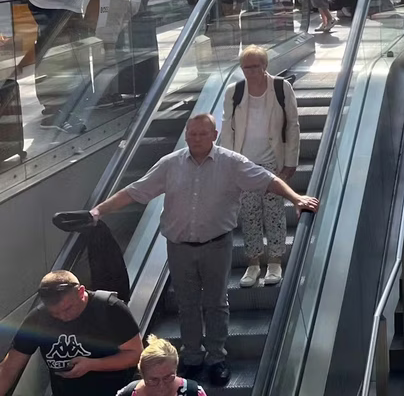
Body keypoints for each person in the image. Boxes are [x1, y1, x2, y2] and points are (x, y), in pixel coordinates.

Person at [89, 113, 318, 386]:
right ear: (186, 134)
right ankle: (192, 357)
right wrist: (99, 211)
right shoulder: (170, 164)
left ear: (214, 135)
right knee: (187, 304)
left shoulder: (231, 163)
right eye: (192, 133)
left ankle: (216, 359)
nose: (196, 138)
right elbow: (134, 191)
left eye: (202, 133)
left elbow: (267, 180)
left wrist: (296, 198)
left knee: (216, 303)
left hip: (216, 246)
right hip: (179, 247)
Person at [221, 47, 300, 287]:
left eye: (255, 66)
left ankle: (275, 261)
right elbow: (227, 129)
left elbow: (292, 125)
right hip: (244, 162)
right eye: (246, 67)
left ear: (265, 65)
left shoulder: (281, 88)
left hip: (272, 160)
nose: (250, 71)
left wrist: (290, 162)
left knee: (274, 211)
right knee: (249, 213)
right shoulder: (234, 91)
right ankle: (253, 263)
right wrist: (228, 163)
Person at [0, 270, 142, 396]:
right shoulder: (38, 318)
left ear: (81, 291)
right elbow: (10, 367)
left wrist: (92, 365)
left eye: (68, 308)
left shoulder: (110, 308)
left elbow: (135, 354)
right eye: (55, 313)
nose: (63, 316)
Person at [115, 335, 207, 396]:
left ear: (176, 370)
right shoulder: (126, 394)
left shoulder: (194, 393)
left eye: (168, 377)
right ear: (142, 375)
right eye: (153, 380)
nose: (161, 387)